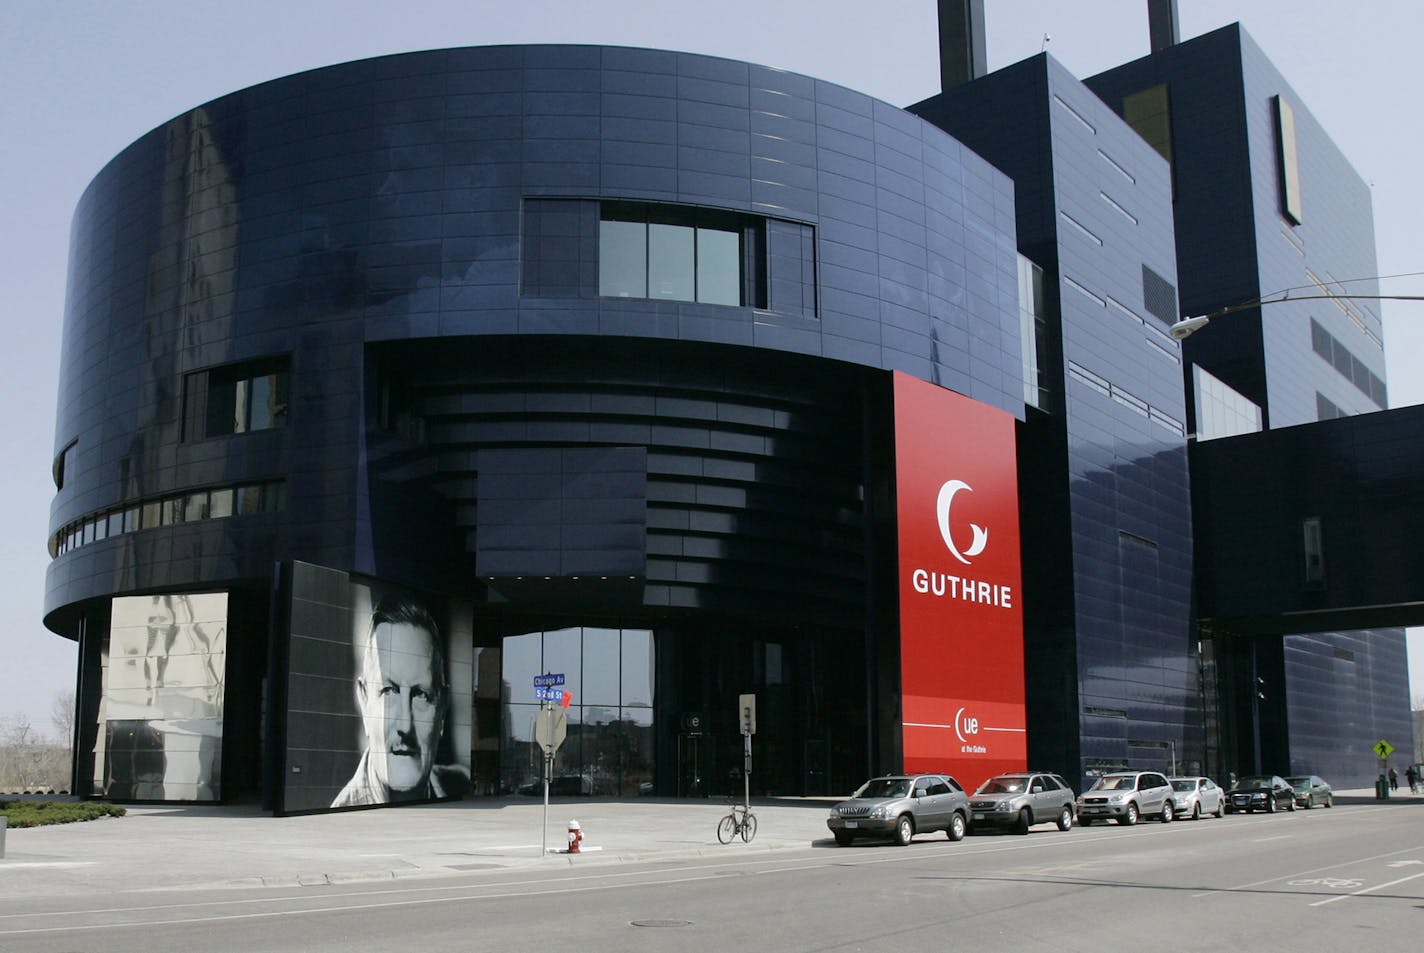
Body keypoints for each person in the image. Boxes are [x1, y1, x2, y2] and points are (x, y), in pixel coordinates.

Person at [332, 595, 466, 807]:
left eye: (421, 695)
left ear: (442, 709)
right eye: (389, 691)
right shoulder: (339, 820)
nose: (405, 724)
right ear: (364, 701)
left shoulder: (460, 782)